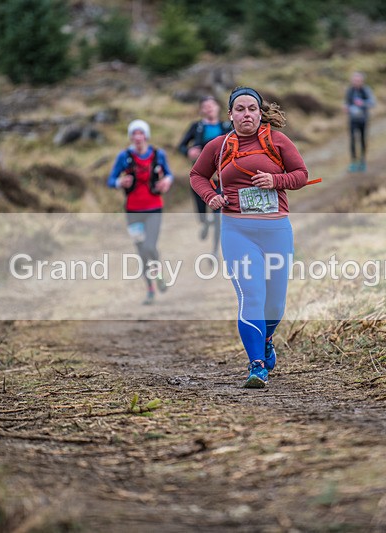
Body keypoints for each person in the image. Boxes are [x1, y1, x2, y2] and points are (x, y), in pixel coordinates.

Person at [190, 86, 309, 388]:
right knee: (251, 296)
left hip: (276, 230)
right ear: (230, 114)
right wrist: (210, 196)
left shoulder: (277, 141)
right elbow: (197, 176)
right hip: (236, 230)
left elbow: (301, 175)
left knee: (276, 305)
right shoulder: (218, 145)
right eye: (240, 109)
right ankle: (256, 365)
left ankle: (267, 338)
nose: (246, 114)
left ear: (259, 112)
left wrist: (275, 180)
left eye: (252, 109)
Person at [107, 119, 174, 305]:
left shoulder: (158, 155)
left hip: (154, 208)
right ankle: (150, 289)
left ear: (146, 136)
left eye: (140, 133)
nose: (137, 137)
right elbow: (110, 180)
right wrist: (120, 182)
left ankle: (159, 274)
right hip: (132, 211)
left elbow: (169, 174)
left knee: (149, 247)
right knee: (140, 251)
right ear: (130, 137)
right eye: (134, 134)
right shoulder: (124, 157)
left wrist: (166, 181)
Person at [177, 95, 233, 255]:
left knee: (218, 216)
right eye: (205, 106)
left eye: (212, 105)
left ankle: (215, 251)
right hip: (201, 178)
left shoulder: (226, 126)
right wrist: (188, 151)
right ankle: (204, 223)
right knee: (202, 212)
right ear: (201, 109)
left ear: (218, 108)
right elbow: (181, 146)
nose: (209, 108)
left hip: (220, 179)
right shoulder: (196, 127)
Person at [344, 71, 376, 172]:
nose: (356, 82)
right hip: (352, 120)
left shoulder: (366, 90)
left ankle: (362, 161)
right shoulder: (350, 91)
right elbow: (346, 103)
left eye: (358, 80)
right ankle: (353, 162)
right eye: (354, 80)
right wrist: (346, 108)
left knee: (362, 139)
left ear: (362, 81)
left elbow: (373, 103)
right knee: (353, 140)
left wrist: (362, 103)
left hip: (363, 119)